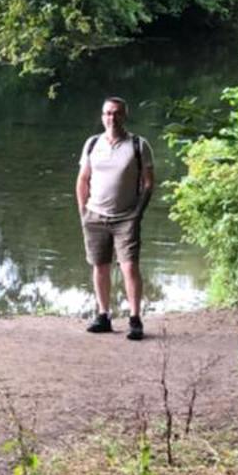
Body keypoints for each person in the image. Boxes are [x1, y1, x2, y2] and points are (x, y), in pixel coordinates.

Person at [76, 97, 155, 340]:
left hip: (126, 217)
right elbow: (83, 179)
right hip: (95, 214)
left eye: (117, 113)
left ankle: (134, 318)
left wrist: (138, 212)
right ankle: (103, 315)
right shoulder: (92, 144)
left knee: (129, 266)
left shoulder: (138, 145)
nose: (112, 118)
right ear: (102, 117)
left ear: (125, 116)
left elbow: (148, 182)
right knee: (100, 265)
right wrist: (83, 210)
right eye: (108, 113)